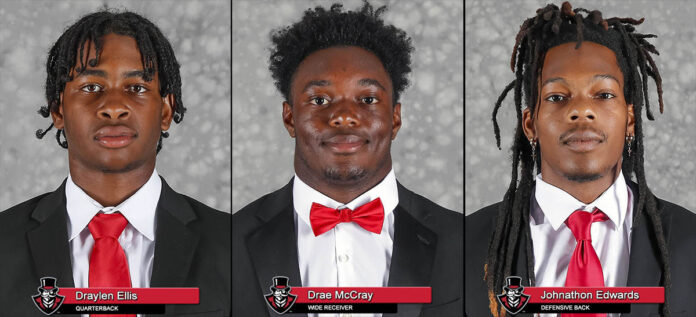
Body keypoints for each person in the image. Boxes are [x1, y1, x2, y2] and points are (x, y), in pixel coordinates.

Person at [465, 2, 696, 316]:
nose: (581, 111)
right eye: (557, 97)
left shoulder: (689, 240)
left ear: (630, 120)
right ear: (530, 124)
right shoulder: (464, 244)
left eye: (603, 95)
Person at [233, 2, 463, 316]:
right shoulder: (227, 240)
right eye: (319, 100)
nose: (343, 116)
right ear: (290, 118)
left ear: (395, 119)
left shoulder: (465, 240)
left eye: (367, 99)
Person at [0, 10, 230, 316]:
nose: (114, 108)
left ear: (165, 111)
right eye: (91, 87)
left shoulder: (232, 245)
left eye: (136, 88)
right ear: (58, 111)